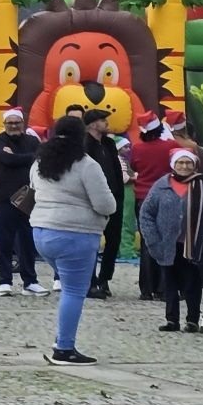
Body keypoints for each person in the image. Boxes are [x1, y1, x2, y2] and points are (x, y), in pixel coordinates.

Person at [29, 113, 116, 366]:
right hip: (75, 234)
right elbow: (106, 204)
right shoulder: (86, 165)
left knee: (68, 287)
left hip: (41, 232)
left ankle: (62, 340)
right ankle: (64, 348)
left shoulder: (39, 163)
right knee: (74, 292)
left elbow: (33, 190)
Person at [138, 148, 203, 332]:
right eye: (180, 162)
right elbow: (146, 214)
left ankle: (192, 320)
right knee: (169, 282)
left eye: (188, 163)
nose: (184, 166)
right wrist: (153, 239)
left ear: (194, 165)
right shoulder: (161, 186)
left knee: (192, 282)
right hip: (166, 243)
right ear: (173, 165)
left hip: (193, 244)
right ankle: (171, 320)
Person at [0, 108, 44, 296]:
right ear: (4, 124)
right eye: (10, 123)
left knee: (27, 239)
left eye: (16, 122)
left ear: (23, 123)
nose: (13, 126)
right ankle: (4, 281)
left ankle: (30, 281)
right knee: (5, 240)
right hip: (5, 196)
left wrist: (15, 157)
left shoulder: (32, 141)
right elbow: (6, 159)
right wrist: (27, 158)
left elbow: (39, 159)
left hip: (29, 196)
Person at [130, 113, 185, 300]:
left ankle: (146, 289)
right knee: (167, 240)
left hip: (142, 196)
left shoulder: (137, 148)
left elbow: (134, 167)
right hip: (167, 196)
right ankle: (164, 287)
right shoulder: (171, 146)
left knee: (147, 241)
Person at [83, 110, 127, 299]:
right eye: (102, 120)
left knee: (114, 240)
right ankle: (90, 281)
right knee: (91, 241)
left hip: (114, 197)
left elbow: (116, 169)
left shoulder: (109, 143)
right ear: (93, 124)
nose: (106, 123)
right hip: (92, 200)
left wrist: (120, 195)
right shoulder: (84, 144)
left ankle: (104, 279)